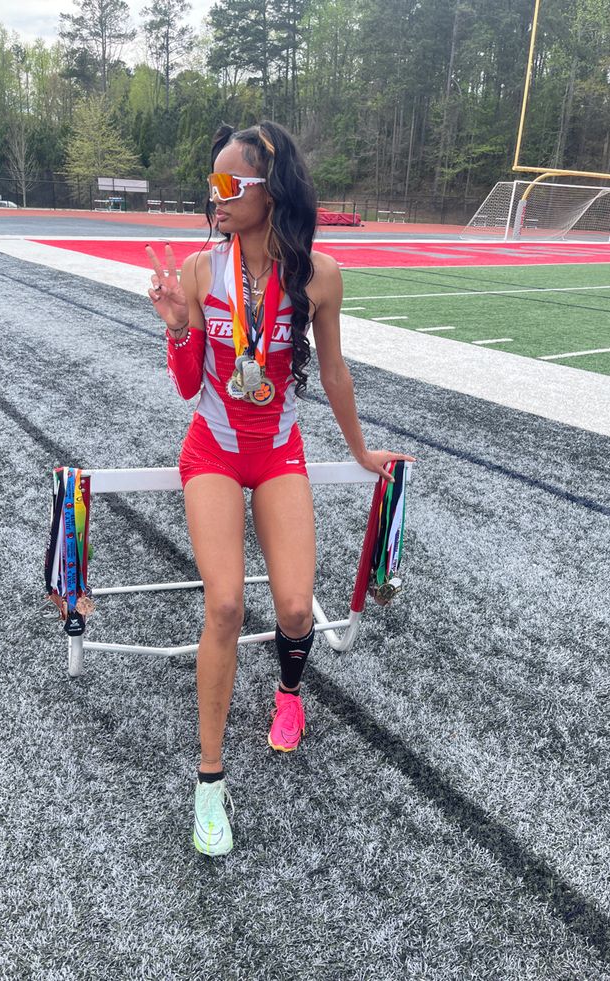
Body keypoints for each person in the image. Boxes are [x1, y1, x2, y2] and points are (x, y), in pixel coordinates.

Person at [146, 121, 415, 857]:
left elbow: (332, 373)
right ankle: (209, 781)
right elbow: (188, 384)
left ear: (274, 191)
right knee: (227, 602)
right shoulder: (204, 271)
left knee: (297, 606)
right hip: (212, 451)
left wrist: (360, 452)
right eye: (213, 185)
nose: (216, 197)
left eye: (231, 184)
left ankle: (289, 693)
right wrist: (177, 327)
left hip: (279, 453)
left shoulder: (320, 275)